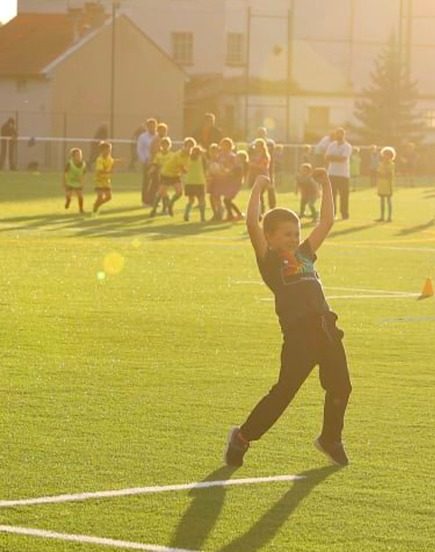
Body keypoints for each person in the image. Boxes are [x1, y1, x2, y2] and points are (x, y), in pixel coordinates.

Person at [224, 169, 352, 468]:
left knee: (341, 387)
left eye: (295, 233)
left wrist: (327, 184)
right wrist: (257, 185)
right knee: (283, 393)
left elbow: (327, 222)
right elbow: (251, 222)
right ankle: (242, 438)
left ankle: (330, 438)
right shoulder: (270, 261)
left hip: (327, 330)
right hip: (299, 336)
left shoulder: (306, 253)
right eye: (286, 234)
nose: (294, 238)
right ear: (270, 238)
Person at [325, 127, 352, 220]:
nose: (338, 136)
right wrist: (336, 157)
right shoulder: (332, 145)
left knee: (344, 195)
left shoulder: (347, 146)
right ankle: (333, 213)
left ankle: (345, 214)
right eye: (337, 134)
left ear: (343, 135)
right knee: (332, 195)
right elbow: (327, 157)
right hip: (332, 173)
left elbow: (343, 159)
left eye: (340, 134)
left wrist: (333, 157)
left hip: (343, 174)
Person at [247, 138, 272, 214]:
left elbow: (263, 166)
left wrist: (253, 165)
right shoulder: (254, 155)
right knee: (255, 195)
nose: (256, 147)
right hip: (254, 176)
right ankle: (257, 211)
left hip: (262, 176)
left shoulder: (265, 155)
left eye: (258, 146)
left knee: (260, 195)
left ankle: (261, 212)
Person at [183, 145, 207, 222]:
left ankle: (186, 214)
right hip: (199, 182)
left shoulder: (188, 158)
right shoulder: (201, 159)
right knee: (201, 200)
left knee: (191, 200)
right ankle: (202, 217)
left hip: (190, 182)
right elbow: (206, 167)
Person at [137, 118, 157, 205]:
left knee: (156, 181)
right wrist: (144, 160)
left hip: (156, 162)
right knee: (147, 181)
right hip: (147, 162)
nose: (152, 128)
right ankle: (145, 200)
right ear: (147, 127)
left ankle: (152, 199)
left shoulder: (158, 136)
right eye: (150, 126)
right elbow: (140, 149)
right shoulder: (142, 137)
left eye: (154, 126)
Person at [223, 150, 247, 221]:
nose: (236, 159)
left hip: (234, 185)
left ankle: (237, 214)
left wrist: (226, 172)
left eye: (237, 157)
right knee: (227, 200)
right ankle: (231, 215)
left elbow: (234, 175)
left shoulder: (239, 167)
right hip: (233, 185)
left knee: (227, 200)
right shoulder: (238, 166)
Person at [93, 141, 115, 215]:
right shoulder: (99, 159)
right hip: (99, 181)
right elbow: (100, 171)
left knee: (109, 197)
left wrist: (118, 162)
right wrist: (108, 172)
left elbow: (112, 163)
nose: (109, 152)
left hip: (106, 181)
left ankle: (96, 205)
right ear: (102, 150)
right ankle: (95, 207)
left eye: (110, 150)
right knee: (100, 197)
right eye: (108, 150)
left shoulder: (109, 158)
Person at [63, 147, 86, 214]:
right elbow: (65, 173)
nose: (79, 156)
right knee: (69, 195)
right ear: (73, 156)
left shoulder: (83, 164)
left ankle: (81, 209)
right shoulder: (69, 164)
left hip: (78, 182)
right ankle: (68, 201)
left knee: (80, 196)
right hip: (69, 182)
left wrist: (82, 182)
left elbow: (83, 174)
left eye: (80, 155)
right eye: (77, 155)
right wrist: (64, 182)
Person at [375, 147, 396, 223]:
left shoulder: (391, 164)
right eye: (384, 155)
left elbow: (389, 175)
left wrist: (383, 174)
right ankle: (382, 216)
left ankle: (389, 217)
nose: (385, 156)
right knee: (382, 201)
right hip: (381, 184)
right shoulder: (381, 164)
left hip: (388, 184)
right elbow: (378, 173)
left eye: (387, 155)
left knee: (388, 201)